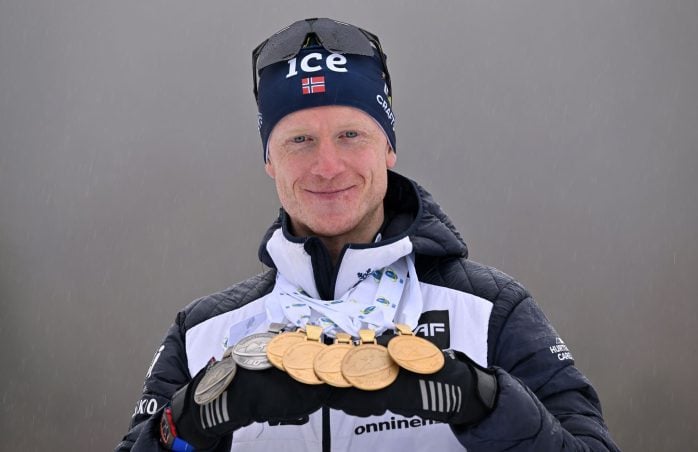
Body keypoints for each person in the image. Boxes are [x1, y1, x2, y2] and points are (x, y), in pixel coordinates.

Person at [116, 18, 620, 451]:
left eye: (350, 135)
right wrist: (184, 426)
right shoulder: (204, 332)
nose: (327, 165)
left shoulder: (491, 311)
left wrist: (487, 401)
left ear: (389, 146)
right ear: (269, 160)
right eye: (299, 141)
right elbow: (161, 439)